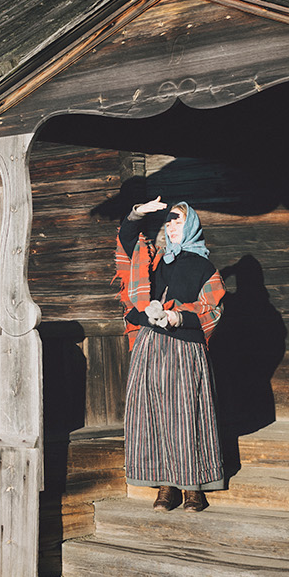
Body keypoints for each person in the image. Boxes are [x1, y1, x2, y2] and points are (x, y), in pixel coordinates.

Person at [115, 195, 226, 511]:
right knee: (153, 416)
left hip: (184, 350)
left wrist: (179, 316)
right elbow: (125, 244)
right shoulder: (153, 260)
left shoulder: (204, 266)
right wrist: (136, 214)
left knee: (186, 415)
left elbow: (213, 310)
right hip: (150, 347)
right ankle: (166, 486)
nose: (171, 225)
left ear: (190, 224)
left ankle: (193, 488)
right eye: (168, 220)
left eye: (178, 219)